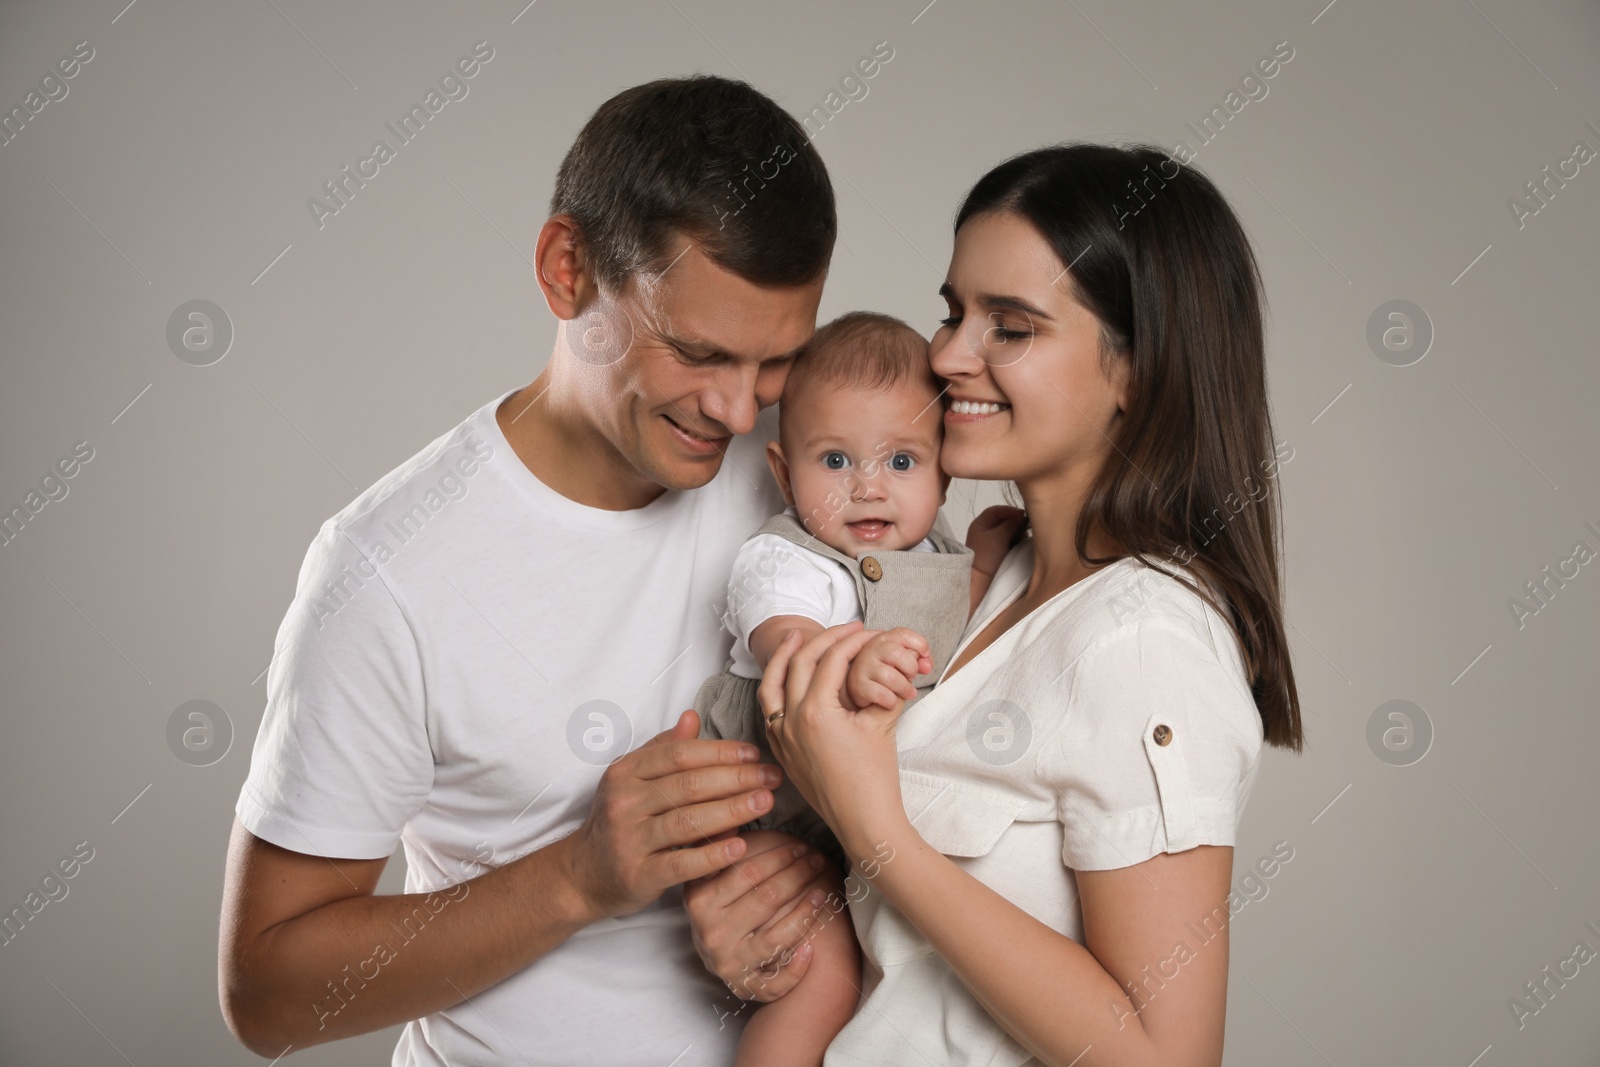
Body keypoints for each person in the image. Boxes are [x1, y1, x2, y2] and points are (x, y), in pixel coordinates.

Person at [218, 76, 847, 1066]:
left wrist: (811, 878)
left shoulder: (817, 461)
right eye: (697, 352)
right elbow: (267, 992)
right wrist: (579, 876)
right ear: (568, 271)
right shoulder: (385, 569)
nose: (738, 413)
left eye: (774, 364)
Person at [756, 143, 1305, 1067]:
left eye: (1008, 327)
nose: (944, 355)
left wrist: (877, 831)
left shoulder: (1143, 639)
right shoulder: (989, 578)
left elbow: (1166, 1060)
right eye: (952, 312)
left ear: (1137, 369)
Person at [691, 311, 1026, 1065]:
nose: (869, 487)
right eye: (836, 461)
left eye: (902, 462)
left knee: (889, 980)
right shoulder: (787, 562)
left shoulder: (933, 551)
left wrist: (975, 565)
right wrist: (850, 663)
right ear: (784, 472)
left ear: (945, 470)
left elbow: (941, 630)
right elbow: (789, 649)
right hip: (765, 818)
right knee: (824, 976)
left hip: (847, 827)